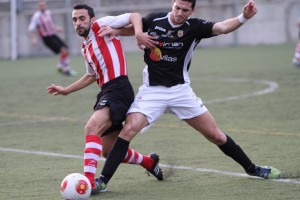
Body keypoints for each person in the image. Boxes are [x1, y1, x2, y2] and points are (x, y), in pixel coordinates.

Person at [93, 0, 282, 193]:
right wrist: (119, 32)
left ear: (192, 10)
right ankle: (103, 181)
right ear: (172, 5)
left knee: (215, 135)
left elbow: (223, 27)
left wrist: (244, 17)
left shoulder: (196, 27)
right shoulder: (154, 19)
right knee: (128, 130)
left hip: (180, 91)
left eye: (185, 10)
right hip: (152, 91)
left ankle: (252, 168)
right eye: (177, 8)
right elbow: (135, 27)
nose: (179, 13)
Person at [46, 3, 163, 195]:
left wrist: (139, 33)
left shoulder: (101, 25)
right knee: (109, 151)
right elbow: (91, 75)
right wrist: (66, 90)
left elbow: (134, 15)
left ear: (91, 19)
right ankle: (149, 162)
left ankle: (88, 183)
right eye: (74, 19)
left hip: (119, 88)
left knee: (91, 127)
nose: (78, 23)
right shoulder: (85, 46)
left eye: (82, 18)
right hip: (107, 91)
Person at [28, 0, 77, 76]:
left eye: (44, 5)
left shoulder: (48, 13)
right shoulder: (36, 16)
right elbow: (30, 29)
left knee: (66, 50)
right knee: (63, 50)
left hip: (53, 35)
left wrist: (56, 29)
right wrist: (33, 39)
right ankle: (66, 70)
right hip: (46, 38)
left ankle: (60, 67)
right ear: (38, 6)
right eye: (41, 5)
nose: (42, 7)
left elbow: (51, 25)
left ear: (46, 5)